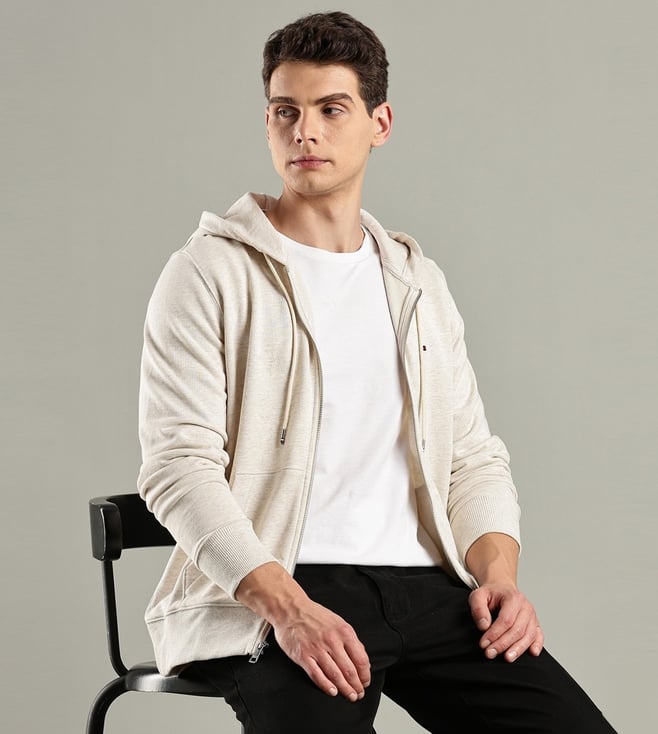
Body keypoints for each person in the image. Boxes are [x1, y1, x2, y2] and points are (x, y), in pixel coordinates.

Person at [137, 11, 616, 733]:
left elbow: (472, 460)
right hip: (279, 588)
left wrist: (500, 579)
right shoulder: (208, 273)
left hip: (429, 589)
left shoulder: (416, 283)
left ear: (379, 123)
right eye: (286, 112)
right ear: (267, 124)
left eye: (331, 110)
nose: (305, 132)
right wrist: (289, 609)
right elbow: (178, 469)